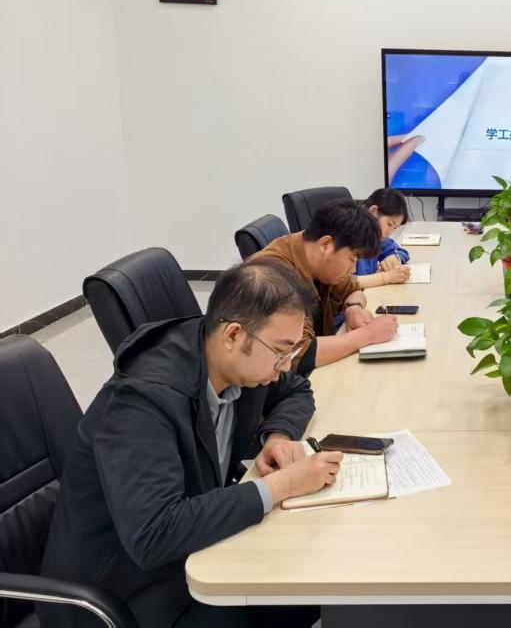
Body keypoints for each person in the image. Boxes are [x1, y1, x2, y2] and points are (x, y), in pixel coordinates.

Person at [39, 262, 344, 628]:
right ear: (233, 335)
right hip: (118, 592)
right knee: (289, 591)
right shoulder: (142, 402)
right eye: (281, 352)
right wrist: (283, 485)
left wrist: (276, 436)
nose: (284, 366)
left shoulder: (237, 364)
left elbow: (297, 390)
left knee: (312, 582)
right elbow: (154, 534)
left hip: (187, 552)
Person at [249, 200, 398, 372]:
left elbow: (353, 289)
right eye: (352, 259)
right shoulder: (273, 277)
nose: (353, 269)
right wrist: (369, 334)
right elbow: (299, 354)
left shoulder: (317, 258)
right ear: (325, 245)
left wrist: (353, 308)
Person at [355, 187, 412, 288]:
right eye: (389, 224)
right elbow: (344, 283)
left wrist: (394, 257)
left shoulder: (376, 237)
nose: (389, 232)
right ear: (373, 211)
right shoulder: (350, 236)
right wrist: (386, 277)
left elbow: (401, 251)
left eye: (395, 228)